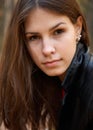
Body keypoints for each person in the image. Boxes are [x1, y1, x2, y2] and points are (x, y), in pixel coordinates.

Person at [0, 0, 93, 130]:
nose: (47, 49)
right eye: (34, 37)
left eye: (58, 31)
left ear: (78, 27)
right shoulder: (46, 84)